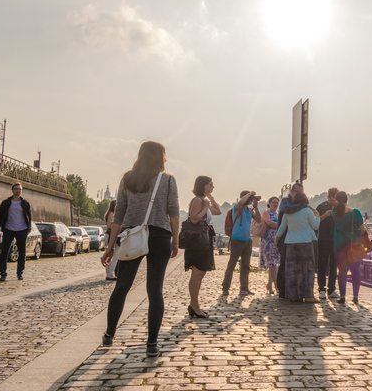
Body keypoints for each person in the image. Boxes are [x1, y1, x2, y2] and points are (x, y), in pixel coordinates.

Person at [101, 141, 179, 357]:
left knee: (122, 286)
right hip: (160, 236)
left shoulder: (128, 179)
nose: (166, 158)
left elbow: (119, 215)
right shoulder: (168, 180)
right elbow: (173, 212)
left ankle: (109, 334)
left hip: (132, 236)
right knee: (155, 291)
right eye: (164, 154)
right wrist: (175, 242)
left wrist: (110, 246)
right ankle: (152, 343)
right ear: (159, 156)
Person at [185, 176, 221, 318]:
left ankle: (194, 305)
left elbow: (218, 211)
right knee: (197, 274)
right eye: (211, 185)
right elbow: (194, 218)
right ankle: (194, 306)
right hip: (197, 241)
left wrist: (210, 198)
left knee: (200, 273)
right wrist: (205, 206)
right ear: (204, 185)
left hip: (204, 240)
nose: (213, 186)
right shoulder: (197, 201)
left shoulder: (203, 200)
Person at [275, 191, 319, 302]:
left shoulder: (287, 213)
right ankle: (308, 296)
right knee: (307, 270)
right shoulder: (307, 211)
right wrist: (317, 216)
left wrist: (276, 240)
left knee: (291, 271)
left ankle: (293, 295)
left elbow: (281, 228)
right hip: (306, 243)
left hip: (290, 243)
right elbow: (315, 225)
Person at [221, 190, 261, 296]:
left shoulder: (249, 210)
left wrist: (256, 206)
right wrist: (250, 194)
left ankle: (244, 288)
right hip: (236, 240)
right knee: (232, 264)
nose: (252, 200)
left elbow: (259, 220)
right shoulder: (237, 208)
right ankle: (225, 287)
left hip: (247, 241)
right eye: (251, 199)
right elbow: (241, 201)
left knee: (245, 266)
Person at [330, 191, 365, 305]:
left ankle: (343, 296)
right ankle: (355, 296)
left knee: (342, 271)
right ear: (347, 199)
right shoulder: (356, 212)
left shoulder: (334, 213)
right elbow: (363, 230)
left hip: (340, 246)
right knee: (356, 271)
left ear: (337, 200)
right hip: (354, 246)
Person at [275, 182, 306, 298]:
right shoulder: (285, 201)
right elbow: (288, 209)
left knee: (295, 266)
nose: (299, 195)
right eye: (298, 192)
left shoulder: (299, 203)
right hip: (284, 237)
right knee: (283, 264)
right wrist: (304, 205)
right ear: (292, 191)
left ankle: (293, 290)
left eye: (301, 193)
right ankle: (282, 291)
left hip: (295, 238)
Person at [0, 182, 33, 281]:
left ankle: (20, 272)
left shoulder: (25, 203)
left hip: (22, 230)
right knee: (4, 252)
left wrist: (28, 228)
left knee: (22, 252)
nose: (18, 190)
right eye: (16, 189)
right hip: (8, 229)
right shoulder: (6, 203)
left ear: (21, 191)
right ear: (12, 190)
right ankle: (3, 273)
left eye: (19, 189)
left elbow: (29, 217)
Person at [315, 188, 338, 300]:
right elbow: (315, 222)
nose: (334, 202)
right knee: (322, 264)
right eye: (333, 199)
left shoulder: (339, 207)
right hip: (323, 239)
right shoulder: (321, 207)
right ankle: (321, 289)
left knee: (334, 265)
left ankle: (332, 289)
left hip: (336, 239)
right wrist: (325, 215)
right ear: (328, 197)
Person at [259, 196, 280, 295]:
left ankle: (269, 284)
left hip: (276, 241)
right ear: (269, 203)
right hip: (268, 241)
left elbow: (274, 224)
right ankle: (276, 285)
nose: (275, 204)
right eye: (274, 202)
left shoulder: (278, 214)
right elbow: (269, 223)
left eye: (277, 202)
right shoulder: (265, 212)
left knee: (274, 264)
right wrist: (280, 225)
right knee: (272, 263)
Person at [103, 200, 118, 280]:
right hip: (111, 234)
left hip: (109, 234)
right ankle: (110, 273)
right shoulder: (112, 214)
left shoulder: (109, 213)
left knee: (112, 255)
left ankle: (109, 273)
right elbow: (109, 225)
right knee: (115, 255)